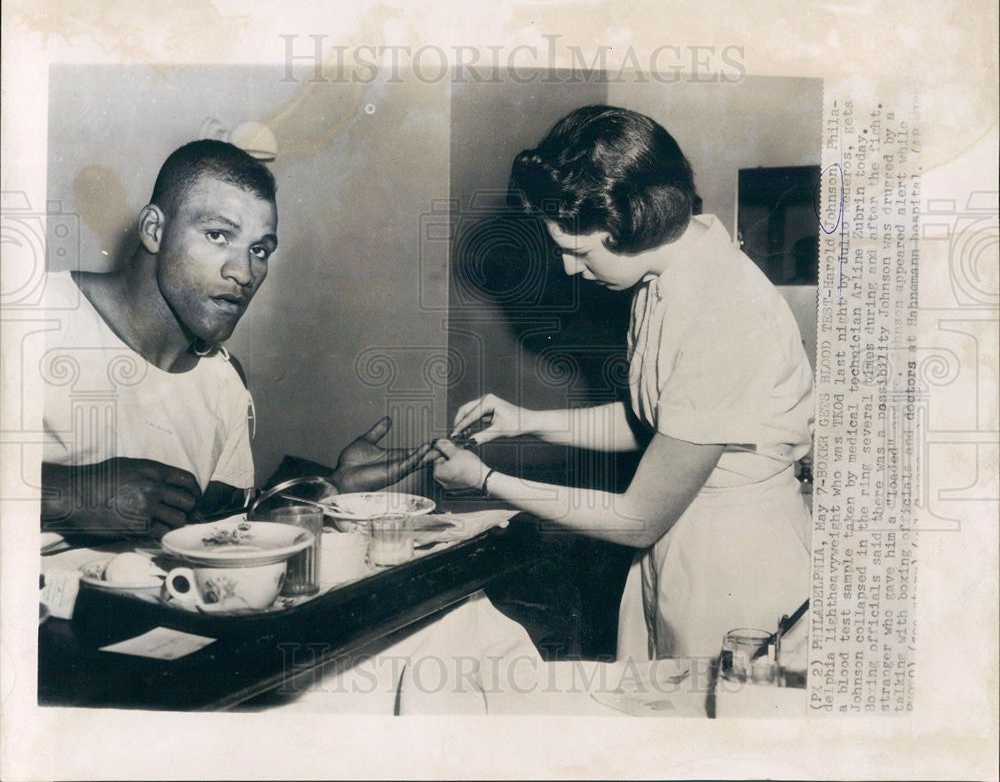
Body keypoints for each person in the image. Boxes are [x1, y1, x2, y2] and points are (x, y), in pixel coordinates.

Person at [429, 106, 814, 660]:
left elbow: (637, 518)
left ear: (628, 223)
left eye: (577, 251)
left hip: (736, 562)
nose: (568, 269)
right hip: (681, 545)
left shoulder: (724, 309)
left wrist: (486, 480)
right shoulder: (663, 281)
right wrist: (525, 421)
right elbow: (654, 424)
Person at [41, 139, 427, 540]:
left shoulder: (224, 383)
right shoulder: (36, 313)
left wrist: (331, 489)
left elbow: (220, 530)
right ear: (154, 229)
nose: (244, 273)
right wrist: (64, 495)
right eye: (218, 235)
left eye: (259, 250)